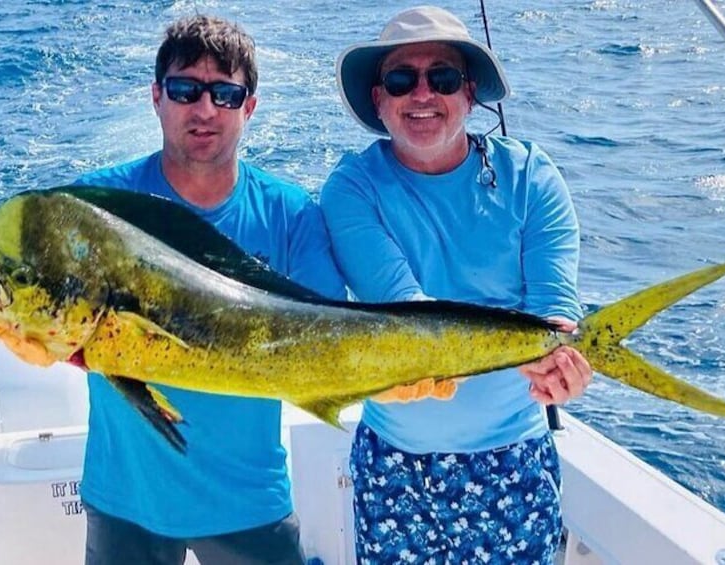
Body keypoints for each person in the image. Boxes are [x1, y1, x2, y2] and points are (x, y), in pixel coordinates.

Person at [319, 6, 593, 564]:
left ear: (470, 95)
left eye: (442, 78)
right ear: (379, 100)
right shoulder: (350, 188)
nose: (422, 95)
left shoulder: (533, 178)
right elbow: (408, 315)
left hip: (514, 460)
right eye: (401, 80)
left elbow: (554, 312)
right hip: (394, 463)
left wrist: (563, 364)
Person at [74, 15, 346, 565]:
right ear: (156, 97)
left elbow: (329, 344)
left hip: (251, 503)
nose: (204, 110)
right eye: (184, 90)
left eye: (225, 93)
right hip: (127, 500)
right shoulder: (98, 206)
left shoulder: (291, 214)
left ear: (249, 107)